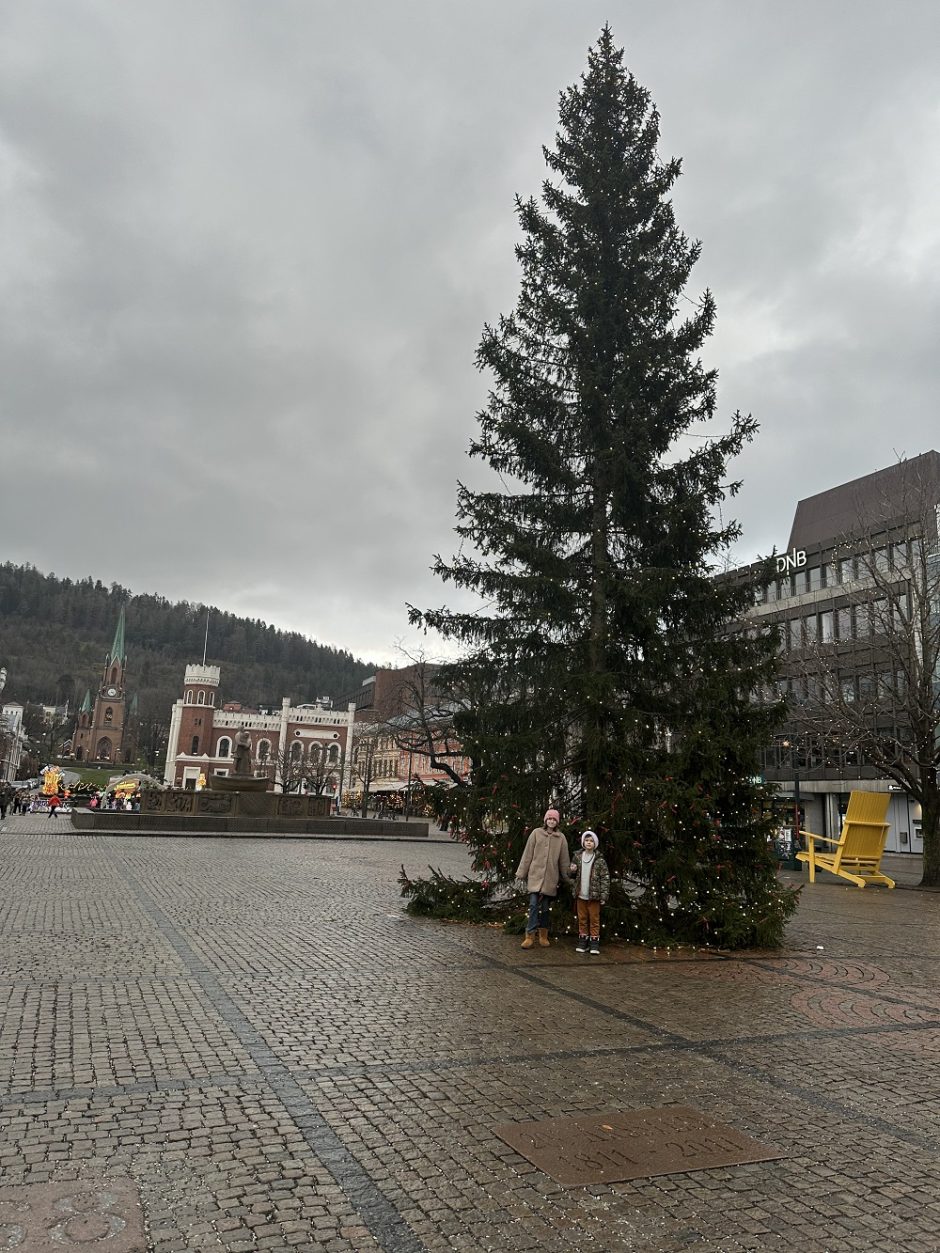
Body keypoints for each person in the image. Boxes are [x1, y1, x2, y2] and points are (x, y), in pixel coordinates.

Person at [514, 808, 571, 949]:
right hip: (535, 876)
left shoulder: (561, 838)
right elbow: (527, 854)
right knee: (533, 905)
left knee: (545, 908)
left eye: (554, 819)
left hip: (550, 879)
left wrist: (569, 877)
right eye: (549, 819)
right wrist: (521, 873)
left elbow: (564, 861)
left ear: (557, 822)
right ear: (545, 820)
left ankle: (543, 935)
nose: (551, 821)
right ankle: (529, 935)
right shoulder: (536, 833)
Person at [570, 830, 610, 955]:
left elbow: (605, 878)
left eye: (591, 841)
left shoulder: (600, 860)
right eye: (587, 840)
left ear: (595, 844)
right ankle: (583, 941)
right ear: (583, 842)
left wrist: (604, 895)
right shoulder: (577, 857)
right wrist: (571, 870)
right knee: (582, 918)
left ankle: (594, 944)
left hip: (594, 896)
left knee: (594, 919)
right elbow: (571, 874)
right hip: (581, 894)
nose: (589, 843)